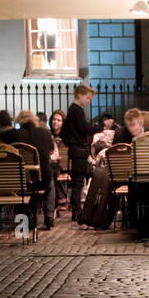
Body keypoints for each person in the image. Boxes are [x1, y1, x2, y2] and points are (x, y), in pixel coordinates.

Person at [61, 83, 99, 221]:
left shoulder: (73, 110)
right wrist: (99, 127)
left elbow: (64, 131)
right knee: (78, 182)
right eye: (88, 98)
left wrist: (69, 142)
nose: (89, 101)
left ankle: (80, 209)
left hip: (76, 149)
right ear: (81, 95)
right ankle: (77, 211)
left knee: (81, 180)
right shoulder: (76, 110)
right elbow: (84, 129)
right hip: (79, 151)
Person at [16, 110, 56, 230]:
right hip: (42, 178)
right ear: (34, 120)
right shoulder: (44, 133)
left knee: (22, 189)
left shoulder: (16, 135)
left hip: (23, 181)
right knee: (51, 184)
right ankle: (48, 215)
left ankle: (26, 217)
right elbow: (51, 150)